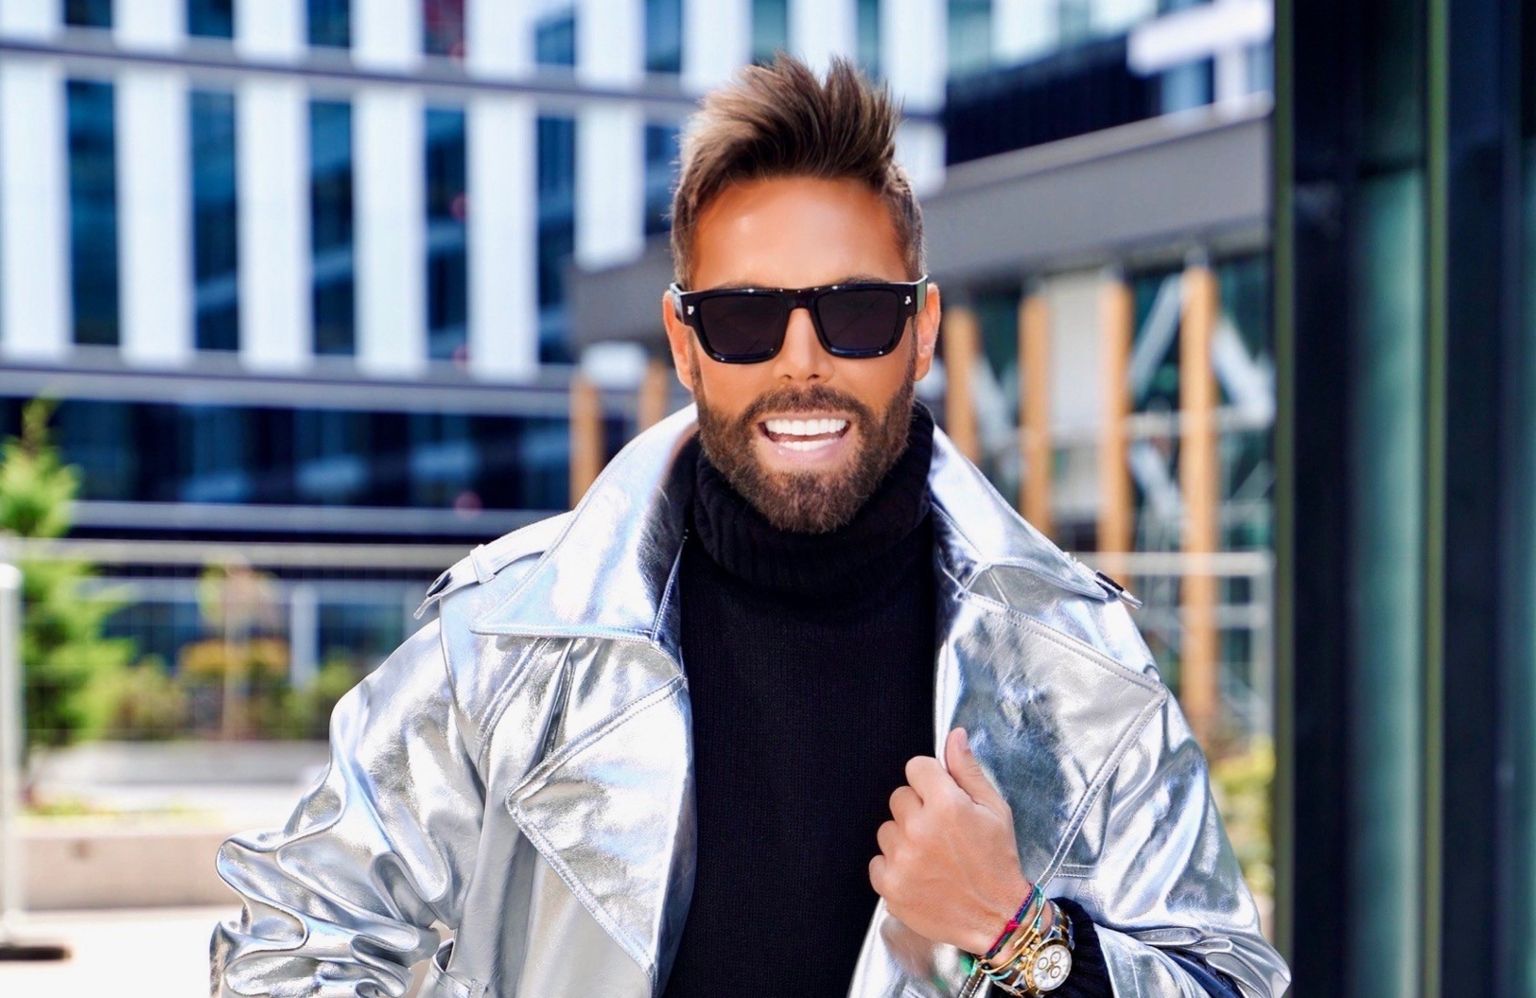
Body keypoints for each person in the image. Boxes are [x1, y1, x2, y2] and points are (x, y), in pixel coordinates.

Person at [211, 56, 1290, 998]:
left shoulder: (1073, 658)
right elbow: (291, 938)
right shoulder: (512, 639)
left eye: (855, 312)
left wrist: (1021, 937)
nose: (802, 362)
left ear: (922, 332)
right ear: (685, 345)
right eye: (744, 319)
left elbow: (1229, 979)